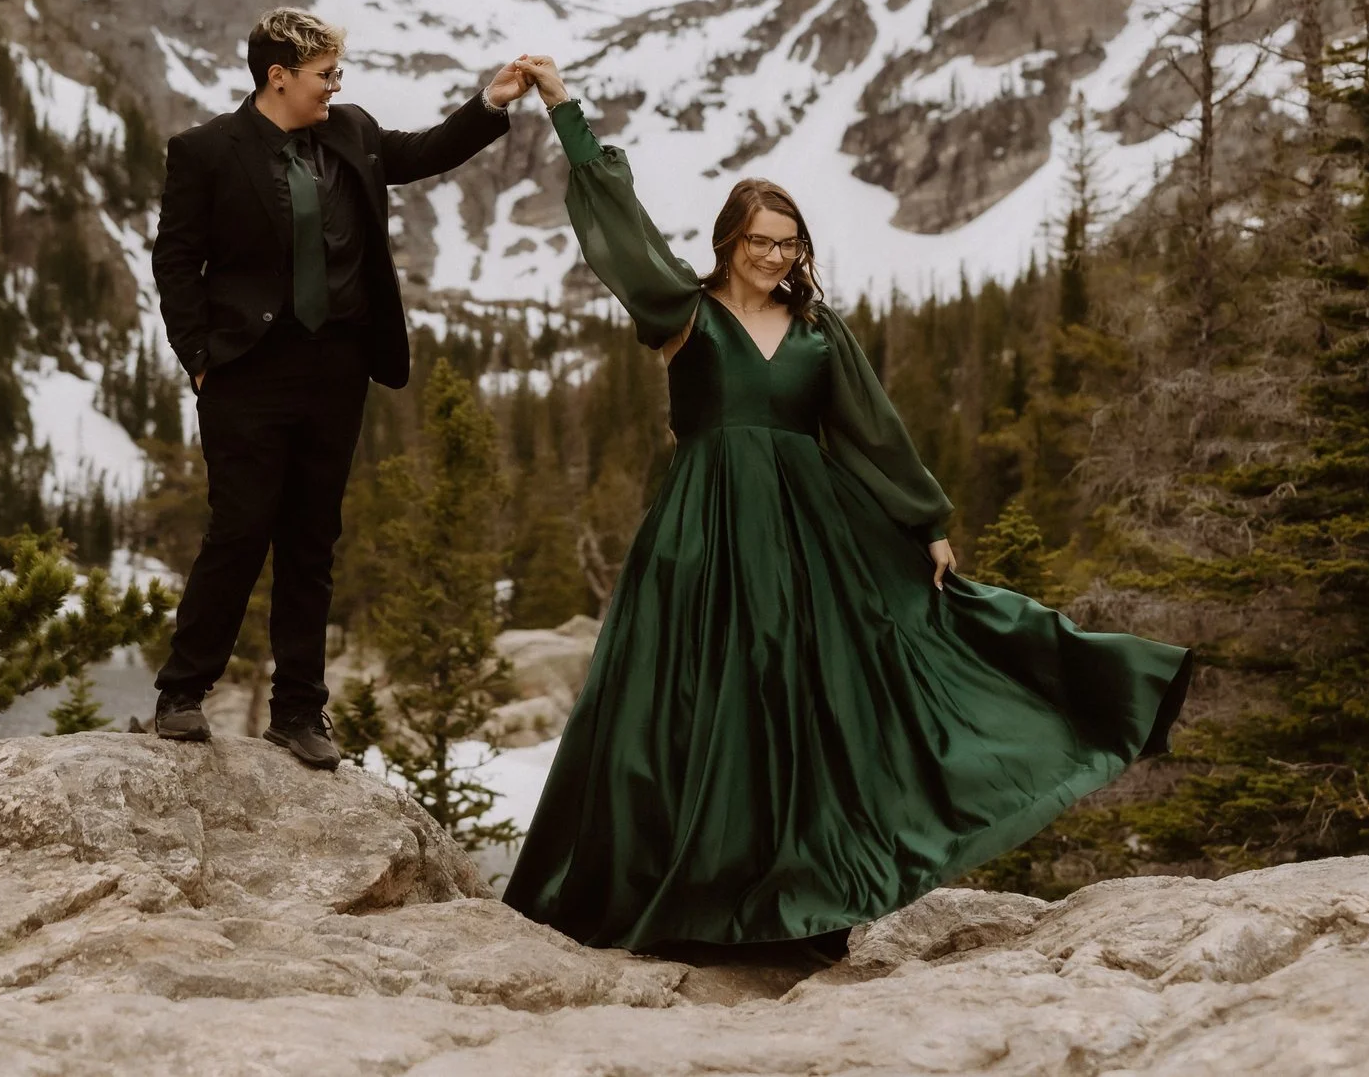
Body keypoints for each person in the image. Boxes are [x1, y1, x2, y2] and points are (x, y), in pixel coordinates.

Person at [501, 55, 1192, 955]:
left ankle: (793, 898)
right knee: (681, 709)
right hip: (702, 534)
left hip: (806, 537)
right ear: (728, 241)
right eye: (760, 240)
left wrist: (926, 523)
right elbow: (621, 231)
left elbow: (872, 431)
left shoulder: (822, 332)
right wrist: (567, 112)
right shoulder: (682, 312)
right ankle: (683, 896)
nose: (776, 256)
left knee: (804, 699)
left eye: (789, 242)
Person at [148, 8, 532, 769]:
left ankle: (297, 712)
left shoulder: (350, 130)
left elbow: (424, 152)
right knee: (240, 528)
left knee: (311, 541)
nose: (335, 86)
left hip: (337, 371)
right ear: (277, 76)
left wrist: (491, 102)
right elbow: (175, 261)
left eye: (337, 74)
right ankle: (182, 694)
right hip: (247, 372)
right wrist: (198, 357)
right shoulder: (205, 153)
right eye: (324, 74)